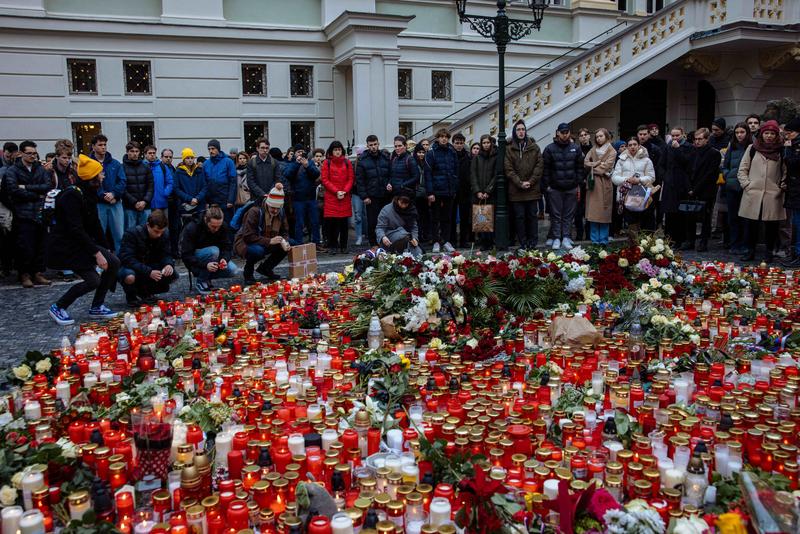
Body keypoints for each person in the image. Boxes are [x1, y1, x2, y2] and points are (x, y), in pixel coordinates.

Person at [47, 155, 120, 325]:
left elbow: (95, 224)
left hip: (83, 242)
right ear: (92, 177)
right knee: (93, 280)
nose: (103, 176)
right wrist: (97, 254)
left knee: (114, 262)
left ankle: (97, 306)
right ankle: (59, 306)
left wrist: (106, 249)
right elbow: (75, 229)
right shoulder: (72, 195)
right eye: (100, 174)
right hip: (68, 245)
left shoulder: (91, 193)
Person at [4, 140, 54, 288]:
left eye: (34, 153)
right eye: (29, 153)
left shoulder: (40, 169)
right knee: (25, 246)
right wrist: (35, 194)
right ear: (21, 154)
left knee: (40, 245)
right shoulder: (13, 170)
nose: (33, 156)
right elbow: (13, 190)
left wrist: (26, 187)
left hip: (40, 211)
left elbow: (47, 186)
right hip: (23, 212)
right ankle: (24, 274)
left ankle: (38, 272)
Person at [738, 120, 787, 263]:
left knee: (771, 226)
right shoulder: (752, 148)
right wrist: (747, 185)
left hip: (773, 193)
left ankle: (769, 252)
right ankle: (749, 251)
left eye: (772, 133)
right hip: (753, 192)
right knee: (751, 225)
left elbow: (785, 171)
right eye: (766, 133)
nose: (769, 136)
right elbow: (743, 169)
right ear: (762, 134)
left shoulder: (781, 151)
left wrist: (781, 186)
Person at [118, 209, 178, 306]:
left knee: (171, 273)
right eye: (156, 231)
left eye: (161, 232)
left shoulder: (164, 234)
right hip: (131, 266)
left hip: (150, 264)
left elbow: (166, 253)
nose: (159, 235)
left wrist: (168, 264)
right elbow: (127, 259)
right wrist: (148, 271)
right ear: (147, 225)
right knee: (129, 276)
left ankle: (147, 294)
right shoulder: (132, 234)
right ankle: (131, 296)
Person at [234, 187, 291, 284]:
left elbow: (284, 231)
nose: (275, 211)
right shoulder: (255, 211)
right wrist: (269, 241)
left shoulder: (281, 212)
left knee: (291, 244)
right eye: (273, 208)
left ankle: (266, 268)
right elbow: (248, 236)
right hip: (246, 242)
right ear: (267, 204)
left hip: (266, 240)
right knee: (258, 251)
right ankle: (248, 272)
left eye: (278, 208)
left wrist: (284, 241)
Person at [542, 123, 584, 250]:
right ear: (557, 133)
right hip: (555, 189)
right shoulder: (549, 149)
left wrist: (577, 183)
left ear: (569, 133)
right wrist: (547, 186)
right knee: (555, 215)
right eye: (562, 132)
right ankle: (556, 237)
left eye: (567, 132)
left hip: (571, 188)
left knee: (568, 215)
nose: (565, 134)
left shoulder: (576, 148)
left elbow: (580, 168)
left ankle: (565, 237)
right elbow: (545, 170)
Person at [179, 204, 238, 293]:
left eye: (219, 226)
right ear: (206, 220)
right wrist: (205, 265)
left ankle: (206, 278)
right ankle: (201, 281)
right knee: (213, 251)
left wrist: (224, 259)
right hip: (196, 259)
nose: (217, 229)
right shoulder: (192, 227)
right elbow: (186, 255)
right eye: (213, 226)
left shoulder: (223, 226)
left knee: (233, 270)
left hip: (214, 258)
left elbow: (227, 247)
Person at [505, 120, 543, 250]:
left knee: (532, 216)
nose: (521, 132)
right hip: (516, 191)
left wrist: (530, 182)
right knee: (519, 217)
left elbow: (539, 166)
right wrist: (519, 183)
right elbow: (508, 169)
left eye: (523, 129)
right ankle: (523, 241)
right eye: (518, 130)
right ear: (515, 132)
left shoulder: (534, 147)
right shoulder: (509, 149)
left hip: (532, 190)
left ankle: (533, 241)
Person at [683, 128, 722, 251]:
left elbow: (710, 174)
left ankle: (703, 242)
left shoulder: (714, 153)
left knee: (705, 217)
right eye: (696, 139)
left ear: (706, 139)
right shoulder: (692, 152)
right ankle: (690, 240)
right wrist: (689, 187)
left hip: (706, 189)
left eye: (700, 139)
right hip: (691, 187)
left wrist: (696, 189)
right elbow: (687, 170)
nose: (697, 141)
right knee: (690, 216)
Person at [611, 137, 656, 235]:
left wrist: (639, 180)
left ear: (639, 146)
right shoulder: (621, 160)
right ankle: (634, 247)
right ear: (627, 147)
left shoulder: (646, 160)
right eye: (630, 145)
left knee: (646, 225)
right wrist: (626, 179)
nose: (632, 147)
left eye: (635, 144)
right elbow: (614, 178)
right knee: (632, 225)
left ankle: (646, 246)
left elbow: (652, 177)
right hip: (627, 197)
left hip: (643, 197)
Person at [90, 134, 127, 251]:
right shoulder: (89, 164)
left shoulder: (115, 163)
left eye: (105, 145)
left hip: (115, 203)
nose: (103, 147)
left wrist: (114, 194)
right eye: (100, 145)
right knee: (99, 235)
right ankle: (100, 263)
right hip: (98, 204)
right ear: (93, 146)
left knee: (119, 235)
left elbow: (122, 181)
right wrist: (102, 195)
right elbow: (89, 182)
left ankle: (120, 262)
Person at [424, 128, 459, 253]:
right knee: (435, 218)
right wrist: (430, 192)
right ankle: (436, 242)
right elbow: (428, 174)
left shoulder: (452, 152)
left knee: (447, 218)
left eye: (446, 136)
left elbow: (455, 171)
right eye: (441, 136)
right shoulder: (431, 153)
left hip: (449, 191)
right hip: (436, 191)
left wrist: (454, 188)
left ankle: (446, 241)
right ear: (437, 138)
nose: (444, 138)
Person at [721, 123, 752, 254]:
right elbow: (725, 165)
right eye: (737, 132)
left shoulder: (752, 147)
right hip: (731, 186)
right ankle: (734, 244)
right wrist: (727, 175)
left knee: (745, 218)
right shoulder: (732, 147)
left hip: (746, 187)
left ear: (747, 133)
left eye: (742, 132)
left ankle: (745, 244)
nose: (739, 135)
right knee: (732, 217)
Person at [356, 135, 392, 246]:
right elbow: (360, 180)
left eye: (375, 144)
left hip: (386, 195)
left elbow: (391, 173)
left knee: (387, 220)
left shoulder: (385, 157)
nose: (373, 147)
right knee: (373, 222)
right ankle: (374, 244)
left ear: (378, 144)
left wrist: (390, 183)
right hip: (372, 196)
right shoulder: (362, 160)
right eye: (371, 145)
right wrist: (364, 196)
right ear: (367, 146)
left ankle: (387, 242)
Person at [660, 127, 693, 245]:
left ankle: (680, 239)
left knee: (680, 213)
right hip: (669, 184)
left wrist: (678, 150)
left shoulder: (688, 147)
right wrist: (665, 176)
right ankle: (669, 239)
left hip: (682, 184)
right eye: (673, 135)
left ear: (683, 135)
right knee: (669, 213)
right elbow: (661, 164)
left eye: (677, 135)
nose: (675, 138)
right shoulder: (667, 147)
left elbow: (687, 163)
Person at [283, 146, 321, 246]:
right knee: (299, 223)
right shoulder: (291, 164)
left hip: (311, 198)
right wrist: (297, 163)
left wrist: (307, 165)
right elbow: (287, 175)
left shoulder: (310, 163)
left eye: (302, 152)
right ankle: (299, 243)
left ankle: (316, 242)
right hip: (298, 199)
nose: (300, 154)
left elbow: (316, 174)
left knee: (314, 221)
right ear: (295, 154)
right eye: (298, 152)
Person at [584, 128, 617, 245]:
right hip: (593, 184)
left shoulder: (612, 151)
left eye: (601, 136)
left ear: (606, 136)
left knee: (603, 214)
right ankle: (594, 242)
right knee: (593, 214)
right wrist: (597, 164)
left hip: (605, 184)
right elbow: (585, 163)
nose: (598, 138)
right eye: (597, 136)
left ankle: (603, 241)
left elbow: (606, 168)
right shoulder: (593, 149)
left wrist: (594, 168)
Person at [321, 140, 354, 254]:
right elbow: (325, 180)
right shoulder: (327, 163)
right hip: (332, 197)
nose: (337, 152)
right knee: (332, 224)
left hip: (344, 197)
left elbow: (350, 179)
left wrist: (344, 191)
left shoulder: (347, 162)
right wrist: (336, 191)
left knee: (344, 224)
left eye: (339, 149)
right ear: (331, 151)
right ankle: (333, 246)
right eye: (335, 150)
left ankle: (344, 246)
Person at [376, 189, 422, 257]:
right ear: (397, 200)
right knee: (403, 235)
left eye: (406, 204)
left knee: (418, 254)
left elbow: (414, 227)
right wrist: (383, 237)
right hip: (389, 239)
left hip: (408, 238)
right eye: (401, 203)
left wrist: (415, 238)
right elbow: (380, 228)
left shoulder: (411, 210)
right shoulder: (386, 210)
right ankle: (394, 253)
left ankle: (404, 253)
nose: (403, 206)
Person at [470, 134, 497, 250]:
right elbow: (473, 175)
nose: (486, 145)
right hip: (479, 194)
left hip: (490, 193)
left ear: (491, 143)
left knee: (490, 218)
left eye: (488, 142)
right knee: (481, 218)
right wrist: (478, 191)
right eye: (484, 143)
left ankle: (491, 242)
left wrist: (488, 190)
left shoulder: (495, 157)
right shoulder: (477, 158)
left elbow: (496, 175)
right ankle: (484, 242)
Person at [121, 141, 154, 230]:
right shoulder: (121, 167)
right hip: (129, 207)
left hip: (145, 207)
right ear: (127, 152)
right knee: (130, 233)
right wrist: (134, 202)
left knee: (146, 233)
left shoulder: (146, 167)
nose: (135, 154)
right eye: (132, 151)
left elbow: (151, 186)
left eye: (137, 151)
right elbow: (122, 188)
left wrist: (145, 201)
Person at [782, 117, 800, 267]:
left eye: (790, 133)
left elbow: (793, 163)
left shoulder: (795, 146)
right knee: (795, 223)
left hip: (798, 190)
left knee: (798, 224)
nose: (787, 136)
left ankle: (798, 254)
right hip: (794, 190)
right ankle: (794, 253)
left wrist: (788, 151)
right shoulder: (793, 145)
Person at [203, 139, 237, 221]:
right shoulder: (206, 164)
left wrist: (230, 200)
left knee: (226, 225)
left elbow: (233, 182)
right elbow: (204, 183)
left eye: (213, 148)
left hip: (225, 200)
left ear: (218, 149)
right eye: (209, 149)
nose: (211, 151)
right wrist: (206, 201)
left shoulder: (228, 162)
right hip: (211, 201)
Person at [451, 132, 473, 248]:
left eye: (461, 143)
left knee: (465, 217)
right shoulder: (450, 155)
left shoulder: (467, 156)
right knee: (452, 217)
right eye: (457, 143)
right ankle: (453, 241)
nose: (459, 145)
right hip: (452, 191)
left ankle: (464, 240)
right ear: (453, 143)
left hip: (465, 190)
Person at [174, 148, 208, 218]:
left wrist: (197, 198)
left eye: (192, 158)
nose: (190, 160)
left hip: (199, 204)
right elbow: (177, 189)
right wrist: (190, 199)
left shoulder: (199, 170)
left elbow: (204, 187)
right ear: (183, 159)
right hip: (186, 205)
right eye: (187, 158)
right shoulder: (178, 172)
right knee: (187, 227)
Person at [574, 128, 593, 242]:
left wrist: (589, 179)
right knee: (578, 211)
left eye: (585, 134)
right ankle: (579, 234)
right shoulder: (576, 149)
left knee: (589, 210)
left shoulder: (594, 149)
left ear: (589, 136)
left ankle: (589, 234)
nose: (583, 137)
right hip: (579, 184)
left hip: (591, 184)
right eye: (581, 135)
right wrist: (581, 180)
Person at [144, 145, 173, 215]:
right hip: (147, 205)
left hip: (162, 203)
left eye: (154, 153)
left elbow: (170, 182)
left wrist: (165, 193)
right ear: (145, 154)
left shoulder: (162, 166)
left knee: (164, 225)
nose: (152, 155)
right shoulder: (141, 166)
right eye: (150, 153)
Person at [412, 143, 431, 245]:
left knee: (425, 216)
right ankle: (417, 236)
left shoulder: (427, 163)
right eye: (419, 152)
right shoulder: (413, 163)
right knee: (417, 216)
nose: (421, 154)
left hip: (425, 194)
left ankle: (425, 235)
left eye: (423, 152)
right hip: (416, 194)